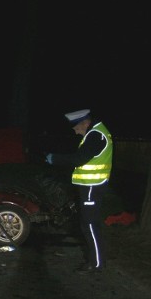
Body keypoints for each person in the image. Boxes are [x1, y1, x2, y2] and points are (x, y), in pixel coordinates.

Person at [45, 109, 113, 273]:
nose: (75, 131)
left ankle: (97, 263)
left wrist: (54, 158)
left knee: (90, 225)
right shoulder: (95, 133)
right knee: (88, 224)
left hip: (92, 187)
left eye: (75, 127)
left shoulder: (96, 135)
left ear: (85, 122)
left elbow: (79, 159)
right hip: (91, 186)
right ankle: (96, 261)